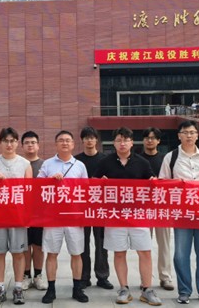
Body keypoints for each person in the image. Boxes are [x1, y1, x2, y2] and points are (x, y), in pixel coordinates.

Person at [95, 127, 161, 306]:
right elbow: (92, 184)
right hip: (115, 215)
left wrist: (153, 181)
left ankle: (147, 289)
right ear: (114, 143)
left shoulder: (142, 162)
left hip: (138, 215)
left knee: (145, 251)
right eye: (118, 140)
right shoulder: (105, 162)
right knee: (119, 253)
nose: (122, 143)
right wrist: (99, 183)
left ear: (132, 142)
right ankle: (123, 288)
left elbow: (152, 182)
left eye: (125, 140)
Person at [159, 120, 199, 305]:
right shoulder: (171, 157)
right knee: (180, 254)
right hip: (182, 213)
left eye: (192, 132)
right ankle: (184, 291)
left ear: (197, 135)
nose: (189, 136)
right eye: (185, 132)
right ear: (179, 136)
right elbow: (163, 182)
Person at [37, 130, 90, 303]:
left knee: (76, 253)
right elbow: (37, 187)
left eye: (68, 140)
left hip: (74, 216)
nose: (65, 143)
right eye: (61, 140)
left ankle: (77, 288)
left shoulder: (80, 165)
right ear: (56, 144)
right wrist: (50, 180)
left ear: (73, 144)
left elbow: (86, 191)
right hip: (53, 217)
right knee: (52, 253)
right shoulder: (47, 164)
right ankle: (51, 289)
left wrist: (84, 215)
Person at [0, 127, 33, 305]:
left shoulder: (24, 164)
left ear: (17, 143)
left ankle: (18, 287)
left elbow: (30, 192)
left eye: (12, 141)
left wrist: (27, 217)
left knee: (18, 253)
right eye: (6, 141)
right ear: (0, 143)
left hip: (17, 216)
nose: (9, 144)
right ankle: (0, 288)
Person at [74, 126, 113, 290]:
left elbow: (112, 182)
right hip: (82, 207)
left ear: (96, 140)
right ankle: (84, 277)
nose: (89, 140)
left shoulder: (106, 160)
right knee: (82, 244)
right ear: (82, 140)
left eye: (92, 137)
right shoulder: (76, 161)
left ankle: (102, 276)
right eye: (86, 138)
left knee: (101, 243)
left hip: (100, 207)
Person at [138, 127, 175, 292]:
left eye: (153, 138)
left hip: (162, 207)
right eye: (147, 137)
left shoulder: (166, 159)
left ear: (158, 141)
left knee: (164, 244)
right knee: (144, 245)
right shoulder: (136, 159)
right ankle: (145, 279)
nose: (150, 140)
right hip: (143, 207)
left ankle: (165, 277)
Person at [20, 130, 47, 291]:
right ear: (22, 146)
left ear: (38, 145)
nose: (30, 145)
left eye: (33, 142)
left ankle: (38, 275)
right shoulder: (18, 163)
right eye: (27, 143)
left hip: (40, 213)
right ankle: (25, 276)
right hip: (21, 213)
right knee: (25, 246)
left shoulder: (45, 165)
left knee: (38, 246)